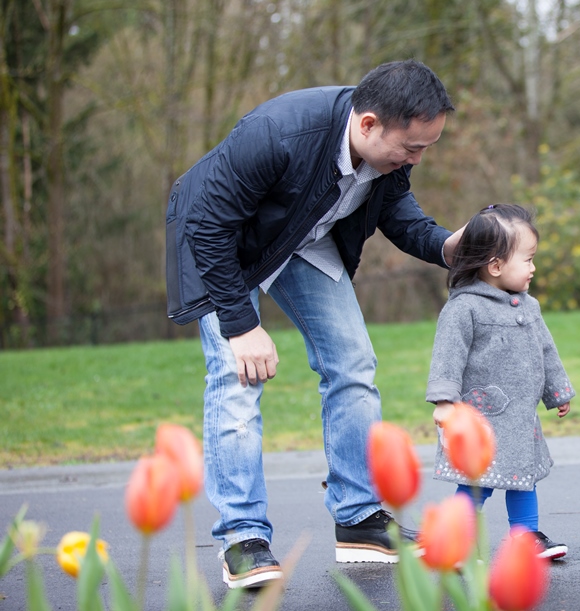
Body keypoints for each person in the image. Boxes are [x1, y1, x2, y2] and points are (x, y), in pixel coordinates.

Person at [165, 60, 465, 589]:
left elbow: (398, 215)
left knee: (353, 362)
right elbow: (207, 226)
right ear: (368, 124)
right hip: (222, 246)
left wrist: (449, 246)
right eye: (412, 148)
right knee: (237, 377)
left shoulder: (389, 154)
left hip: (302, 241)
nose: (417, 159)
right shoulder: (277, 135)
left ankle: (359, 519)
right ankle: (242, 537)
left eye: (425, 148)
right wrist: (241, 325)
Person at [426, 204, 576, 560]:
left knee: (523, 477)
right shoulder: (465, 308)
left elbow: (546, 351)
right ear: (495, 266)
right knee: (477, 483)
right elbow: (447, 357)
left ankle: (525, 538)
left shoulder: (529, 306)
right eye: (528, 260)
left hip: (520, 418)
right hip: (482, 419)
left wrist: (557, 392)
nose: (533, 268)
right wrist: (445, 402)